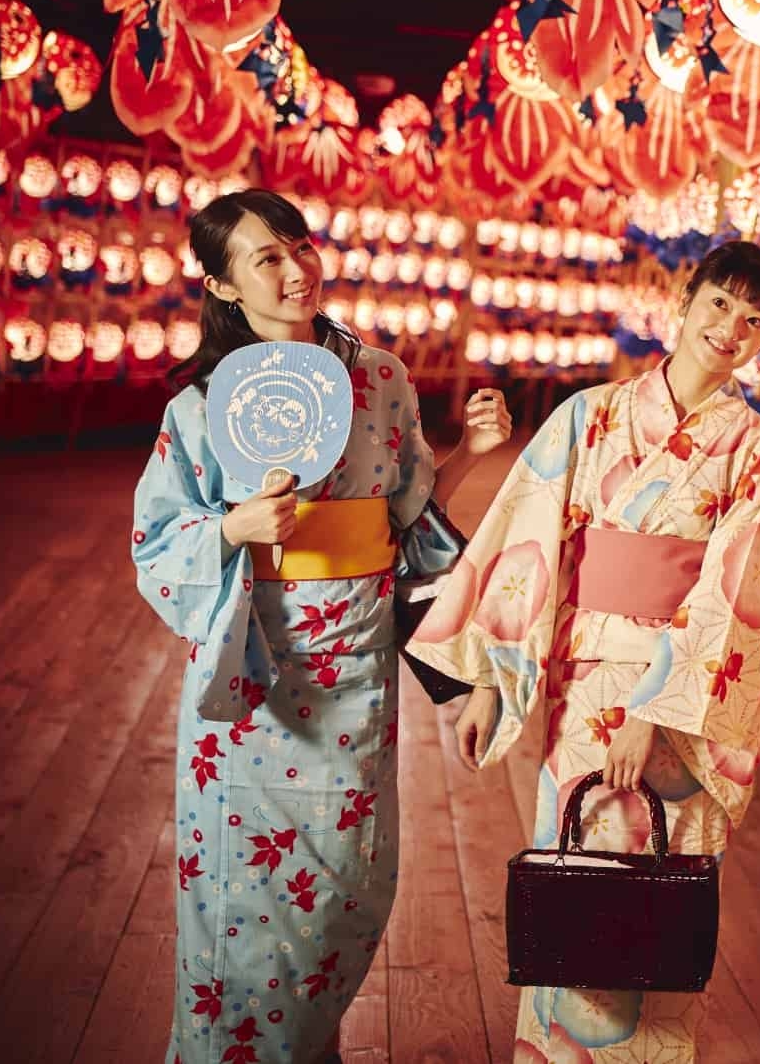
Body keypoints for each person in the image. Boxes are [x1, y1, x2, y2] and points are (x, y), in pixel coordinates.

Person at [130, 189, 512, 1064]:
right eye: (265, 256)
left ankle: (305, 1048)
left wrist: (467, 458)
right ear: (224, 286)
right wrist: (233, 528)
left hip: (356, 673)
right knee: (241, 905)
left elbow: (409, 523)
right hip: (255, 679)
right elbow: (156, 540)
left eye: (299, 244)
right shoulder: (199, 407)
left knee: (340, 893)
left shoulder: (378, 378)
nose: (295, 267)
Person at [407, 240, 760, 1062]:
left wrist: (659, 715)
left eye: (754, 320)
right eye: (720, 304)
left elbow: (739, 597)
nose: (730, 327)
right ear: (684, 302)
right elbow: (526, 540)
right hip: (578, 686)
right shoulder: (590, 414)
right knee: (575, 884)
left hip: (678, 705)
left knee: (655, 892)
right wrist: (489, 682)